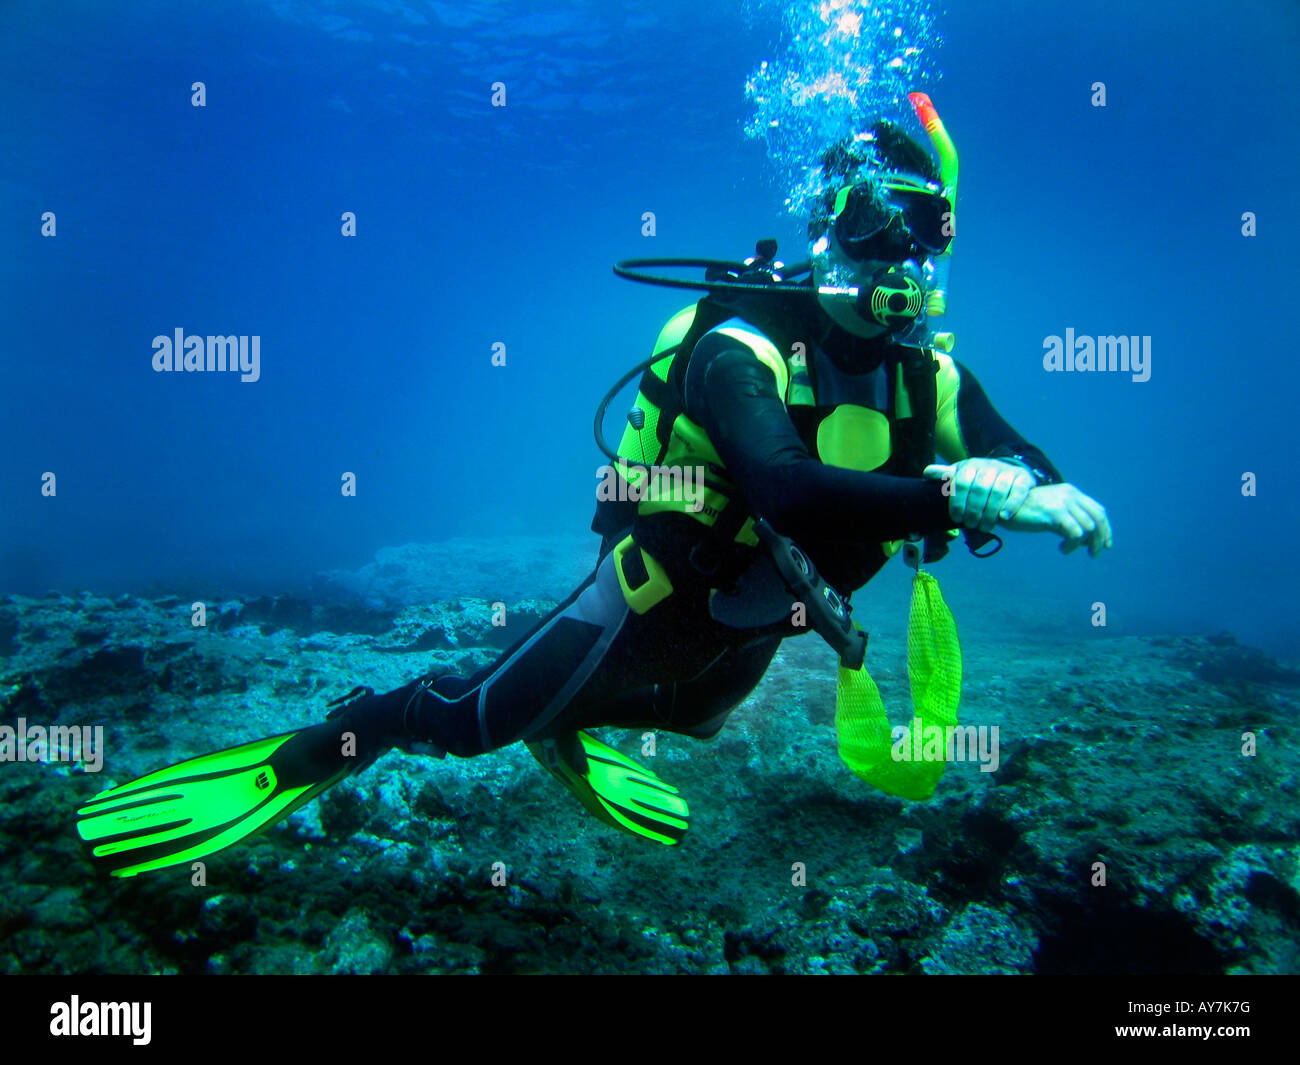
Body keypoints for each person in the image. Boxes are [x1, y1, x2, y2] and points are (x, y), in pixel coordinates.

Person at [76, 112, 1112, 877]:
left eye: (922, 229)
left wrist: (1017, 481)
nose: (898, 256)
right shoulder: (738, 346)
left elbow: (1030, 469)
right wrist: (961, 504)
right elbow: (786, 490)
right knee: (473, 719)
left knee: (697, 721)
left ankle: (565, 723)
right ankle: (329, 742)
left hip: (764, 611)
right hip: (654, 586)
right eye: (870, 226)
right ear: (824, 231)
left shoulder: (929, 378)